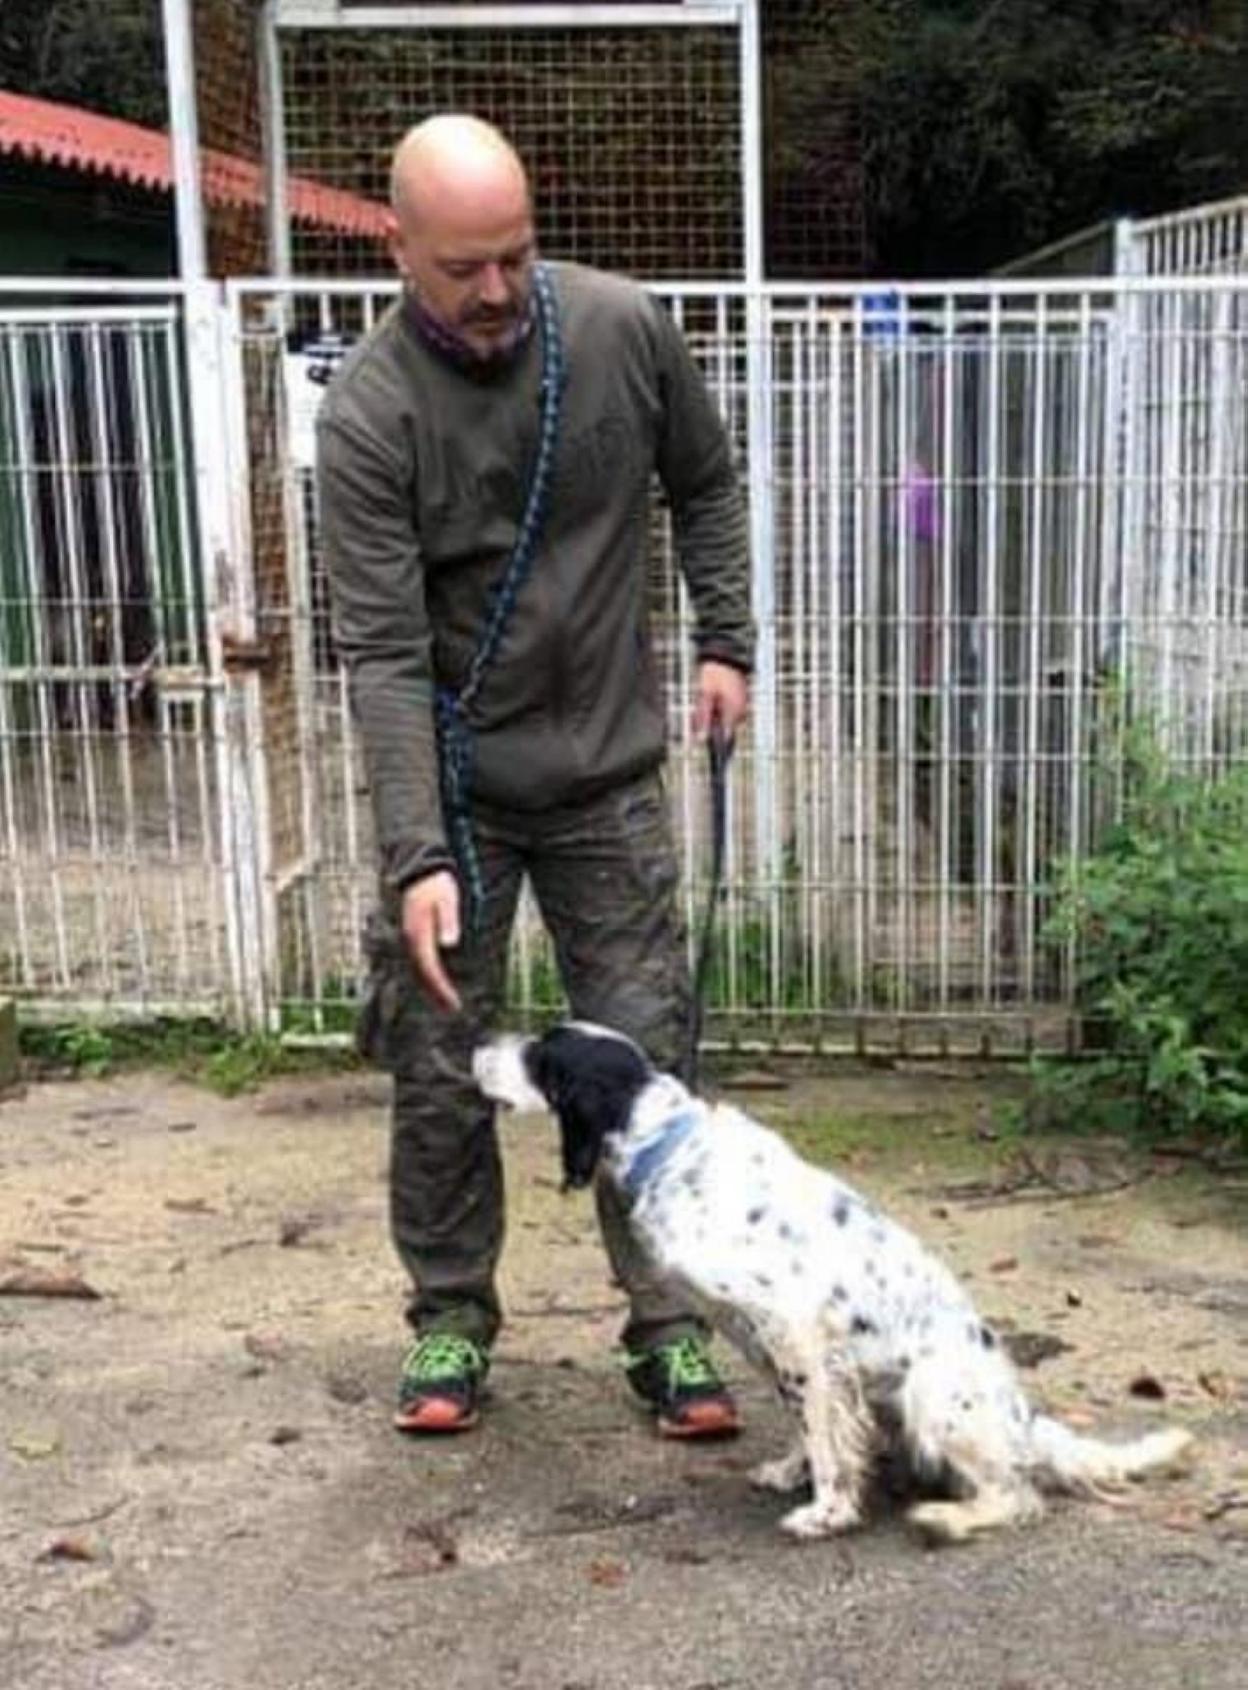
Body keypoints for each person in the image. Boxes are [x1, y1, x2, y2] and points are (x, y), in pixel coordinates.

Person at [317, 113, 753, 1438]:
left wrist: (725, 637)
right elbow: (383, 655)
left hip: (611, 776)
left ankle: (672, 1327)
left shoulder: (623, 330)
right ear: (398, 248)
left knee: (646, 1060)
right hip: (461, 794)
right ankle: (450, 1314)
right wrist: (417, 857)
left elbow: (709, 482)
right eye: (464, 266)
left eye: (516, 254)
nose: (499, 289)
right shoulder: (371, 414)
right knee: (442, 1061)